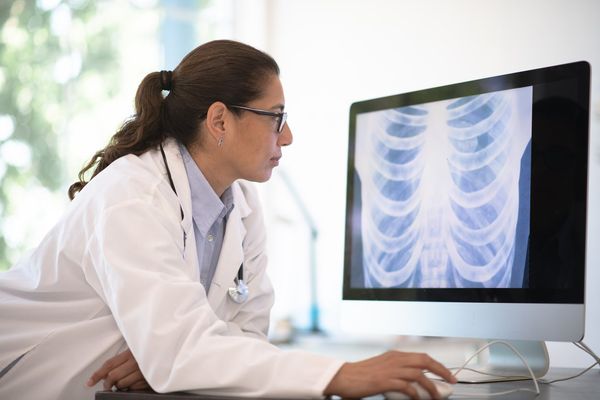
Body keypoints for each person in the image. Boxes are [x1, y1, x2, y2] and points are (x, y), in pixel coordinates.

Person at [0, 39, 456, 399]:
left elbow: (243, 338)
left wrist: (173, 354)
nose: (289, 136)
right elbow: (184, 349)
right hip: (31, 380)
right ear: (219, 121)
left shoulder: (240, 207)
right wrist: (338, 373)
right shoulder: (132, 196)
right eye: (276, 117)